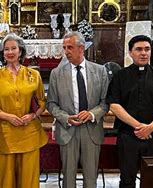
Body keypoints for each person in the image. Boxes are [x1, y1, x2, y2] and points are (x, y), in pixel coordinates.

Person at [106, 35, 153, 188]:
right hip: (127, 136)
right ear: (130, 52)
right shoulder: (120, 76)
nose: (143, 53)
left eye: (147, 49)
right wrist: (139, 126)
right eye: (138, 49)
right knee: (127, 180)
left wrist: (150, 128)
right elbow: (113, 105)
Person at [46, 31, 109, 188]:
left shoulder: (100, 71)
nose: (66, 51)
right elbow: (51, 104)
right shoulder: (56, 73)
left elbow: (106, 102)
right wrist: (66, 118)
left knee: (90, 178)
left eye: (70, 47)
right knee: (68, 177)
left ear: (81, 48)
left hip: (92, 130)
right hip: (68, 130)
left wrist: (92, 114)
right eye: (64, 47)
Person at [0, 33, 47, 188]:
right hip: (4, 135)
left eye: (14, 48)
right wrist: (8, 117)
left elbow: (42, 102)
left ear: (20, 51)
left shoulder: (34, 75)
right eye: (6, 49)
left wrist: (33, 115)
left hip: (29, 134)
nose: (10, 52)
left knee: (28, 178)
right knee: (4, 177)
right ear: (2, 53)